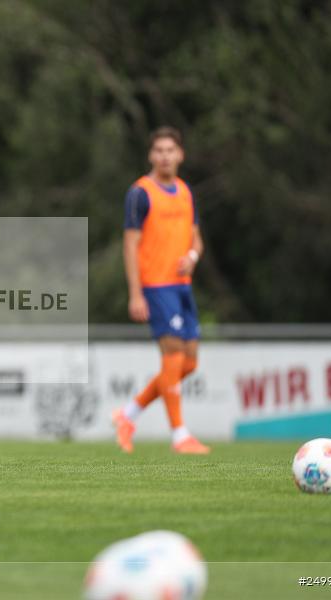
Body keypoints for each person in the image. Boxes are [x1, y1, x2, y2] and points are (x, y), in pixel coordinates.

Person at [113, 126, 210, 454]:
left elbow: (196, 238)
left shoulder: (185, 192)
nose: (165, 156)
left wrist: (192, 257)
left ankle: (128, 414)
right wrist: (136, 293)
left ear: (180, 154)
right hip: (156, 286)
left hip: (182, 286)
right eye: (159, 150)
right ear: (151, 155)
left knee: (189, 364)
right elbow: (130, 245)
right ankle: (180, 435)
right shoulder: (140, 193)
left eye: (171, 150)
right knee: (172, 359)